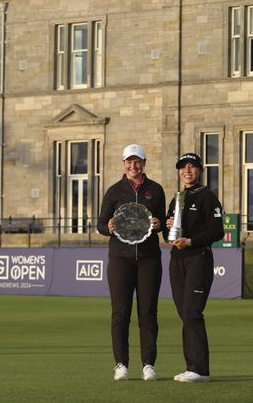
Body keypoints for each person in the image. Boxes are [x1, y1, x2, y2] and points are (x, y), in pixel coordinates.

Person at [97, 144, 166, 381]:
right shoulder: (114, 191)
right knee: (120, 313)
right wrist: (107, 228)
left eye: (137, 161)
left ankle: (148, 364)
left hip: (149, 258)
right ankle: (121, 365)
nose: (133, 166)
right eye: (129, 161)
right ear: (124, 163)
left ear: (144, 163)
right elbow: (100, 224)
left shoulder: (155, 190)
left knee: (148, 313)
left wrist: (159, 225)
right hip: (120, 259)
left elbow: (164, 224)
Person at [165, 152, 224, 383]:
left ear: (199, 170)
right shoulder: (177, 198)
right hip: (176, 259)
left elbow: (217, 230)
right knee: (184, 314)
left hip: (198, 258)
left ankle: (199, 370)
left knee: (192, 312)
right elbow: (168, 234)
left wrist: (191, 240)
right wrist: (168, 226)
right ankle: (192, 367)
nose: (187, 171)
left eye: (192, 167)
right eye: (183, 167)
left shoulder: (208, 197)